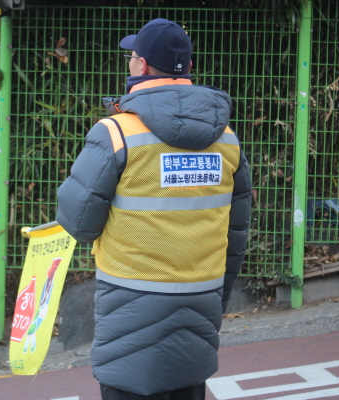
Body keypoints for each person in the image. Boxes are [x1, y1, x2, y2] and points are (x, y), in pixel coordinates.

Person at [56, 18, 251, 400]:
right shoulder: (228, 140)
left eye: (132, 57)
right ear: (189, 69)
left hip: (131, 297)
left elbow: (79, 223)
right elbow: (237, 231)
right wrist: (218, 294)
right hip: (202, 294)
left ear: (141, 66)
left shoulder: (116, 132)